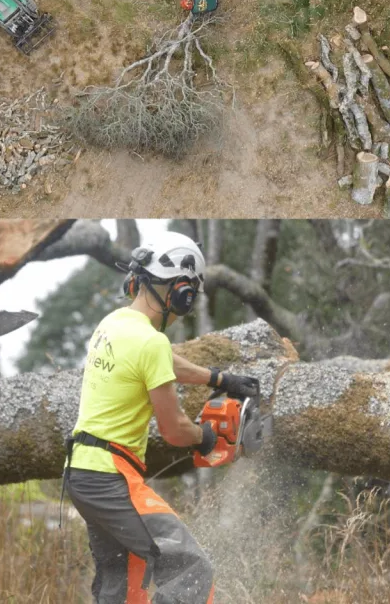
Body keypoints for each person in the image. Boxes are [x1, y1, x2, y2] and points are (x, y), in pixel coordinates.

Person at [63, 232, 260, 604]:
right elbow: (173, 430)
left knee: (122, 585)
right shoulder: (150, 342)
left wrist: (217, 378)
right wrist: (206, 437)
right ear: (181, 291)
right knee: (192, 570)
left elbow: (161, 359)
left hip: (82, 473)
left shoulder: (115, 323)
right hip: (110, 478)